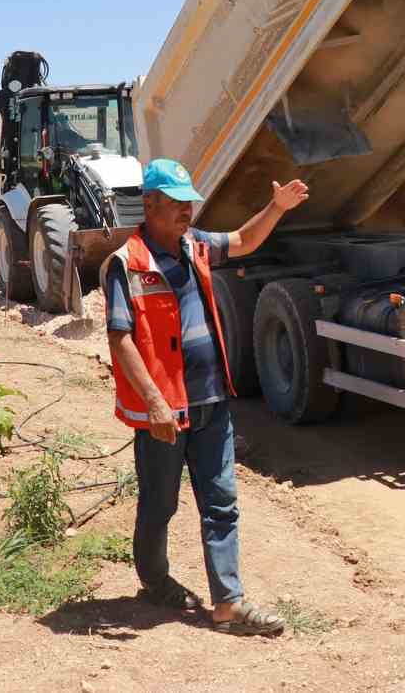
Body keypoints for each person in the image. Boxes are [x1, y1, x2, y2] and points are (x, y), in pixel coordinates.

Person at [101, 158, 309, 637]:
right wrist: (153, 401)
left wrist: (275, 208)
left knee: (221, 502)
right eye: (176, 203)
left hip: (212, 401)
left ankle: (227, 603)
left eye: (189, 202)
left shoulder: (195, 245)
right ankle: (154, 580)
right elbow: (120, 339)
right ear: (149, 203)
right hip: (164, 410)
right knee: (160, 504)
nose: (187, 211)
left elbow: (242, 241)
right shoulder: (127, 263)